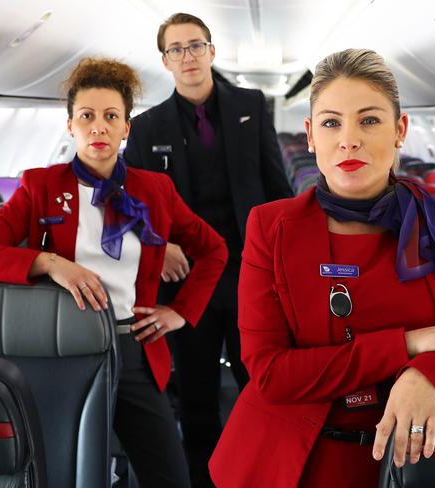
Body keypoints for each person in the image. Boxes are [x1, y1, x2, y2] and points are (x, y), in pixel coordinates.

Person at [209, 48, 435, 487]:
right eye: (332, 122)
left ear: (400, 130)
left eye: (369, 120)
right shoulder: (272, 227)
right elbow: (272, 373)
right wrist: (409, 345)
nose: (348, 139)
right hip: (304, 459)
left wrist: (430, 370)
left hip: (428, 454)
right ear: (311, 136)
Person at [0, 57, 228, 488]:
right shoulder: (39, 187)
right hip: (59, 351)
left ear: (126, 128)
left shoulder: (155, 191)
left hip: (133, 349)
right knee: (59, 472)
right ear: (70, 126)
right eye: (86, 116)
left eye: (110, 117)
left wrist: (180, 312)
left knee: (171, 475)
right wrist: (50, 263)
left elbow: (214, 250)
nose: (98, 127)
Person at [123, 13, 293, 486]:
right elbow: (131, 208)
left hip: (249, 271)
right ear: (165, 61)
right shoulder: (146, 126)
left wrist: (285, 263)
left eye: (195, 46)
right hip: (188, 279)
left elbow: (276, 189)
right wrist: (164, 242)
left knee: (260, 386)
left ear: (212, 51)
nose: (188, 56)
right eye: (176, 49)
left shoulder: (251, 105)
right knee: (196, 396)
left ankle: (264, 474)